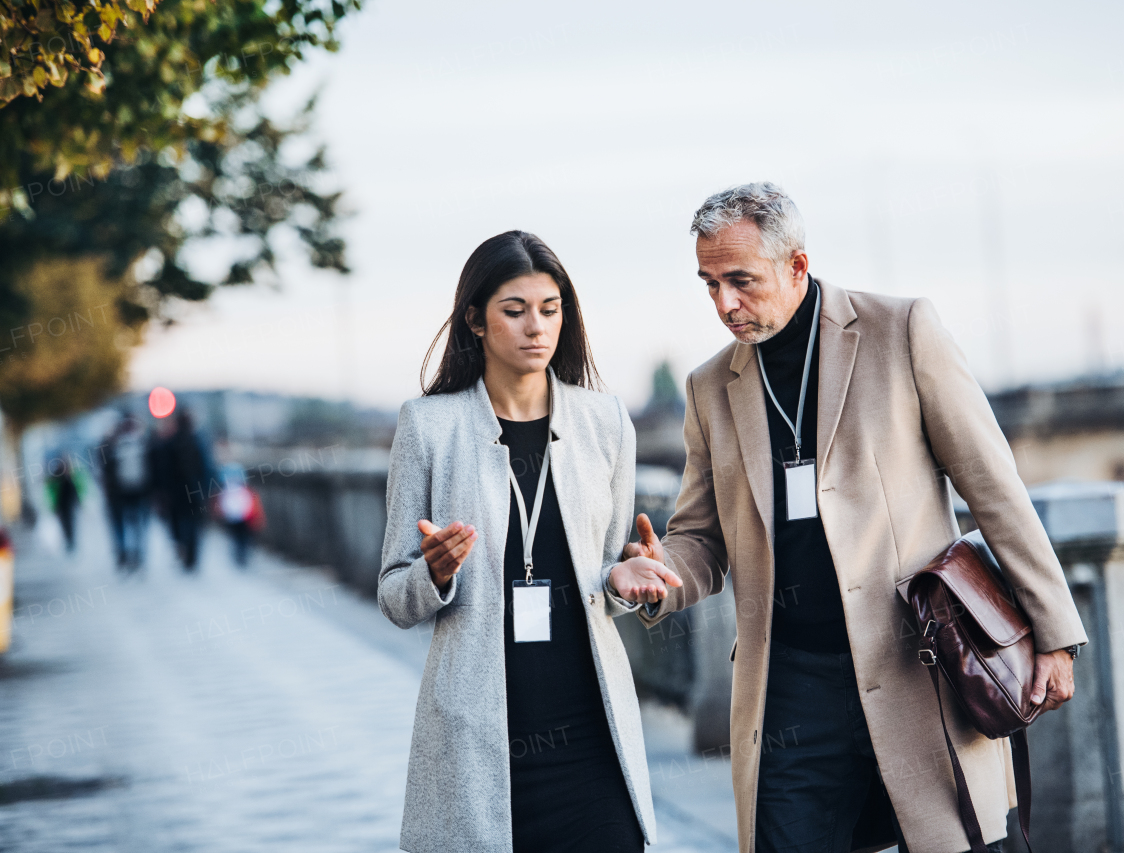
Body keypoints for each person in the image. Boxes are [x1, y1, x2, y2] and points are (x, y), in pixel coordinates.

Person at [609, 183, 1088, 853]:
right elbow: (699, 538)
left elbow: (994, 487)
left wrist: (1055, 631)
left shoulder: (902, 330)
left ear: (797, 266)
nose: (724, 303)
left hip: (922, 664)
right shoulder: (709, 387)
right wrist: (659, 575)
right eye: (709, 283)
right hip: (790, 686)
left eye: (740, 280)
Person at [378, 231, 660, 853]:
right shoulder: (428, 427)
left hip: (593, 739)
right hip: (480, 742)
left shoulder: (606, 421)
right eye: (515, 310)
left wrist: (623, 579)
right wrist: (435, 573)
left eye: (550, 309)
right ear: (475, 320)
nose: (537, 327)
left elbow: (608, 575)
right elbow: (395, 598)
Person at [158, 409, 212, 571]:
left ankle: (183, 551)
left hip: (176, 492)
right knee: (195, 524)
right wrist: (208, 489)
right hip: (195, 491)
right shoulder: (198, 441)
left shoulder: (170, 443)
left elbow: (164, 470)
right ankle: (192, 557)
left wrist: (163, 491)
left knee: (180, 523)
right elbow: (207, 467)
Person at [102, 413, 151, 571]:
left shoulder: (112, 445)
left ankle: (123, 553)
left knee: (121, 524)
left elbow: (104, 470)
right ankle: (138, 554)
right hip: (140, 491)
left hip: (118, 493)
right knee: (138, 525)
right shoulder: (142, 443)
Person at [214, 463, 264, 567]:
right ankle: (242, 555)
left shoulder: (225, 489)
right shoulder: (246, 489)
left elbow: (220, 503)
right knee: (243, 537)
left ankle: (239, 555)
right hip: (244, 517)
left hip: (232, 518)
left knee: (236, 537)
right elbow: (253, 502)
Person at [49, 455, 79, 553]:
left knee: (69, 524)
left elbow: (74, 490)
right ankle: (69, 541)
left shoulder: (68, 476)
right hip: (62, 506)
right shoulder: (58, 476)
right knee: (66, 524)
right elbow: (53, 491)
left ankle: (71, 541)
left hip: (67, 505)